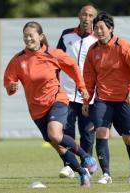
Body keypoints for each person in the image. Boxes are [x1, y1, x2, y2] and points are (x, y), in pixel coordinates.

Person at [3, 21, 97, 188]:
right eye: (25, 36)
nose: (28, 38)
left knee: (55, 134)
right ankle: (82, 172)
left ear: (40, 36)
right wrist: (11, 86)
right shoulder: (18, 60)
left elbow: (73, 67)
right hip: (36, 109)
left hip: (56, 100)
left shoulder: (53, 54)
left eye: (31, 35)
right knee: (59, 147)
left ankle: (87, 157)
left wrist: (82, 87)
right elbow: (9, 81)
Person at [83, 12, 130, 184]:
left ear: (111, 29)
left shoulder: (123, 46)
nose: (99, 31)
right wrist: (87, 100)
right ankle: (106, 174)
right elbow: (88, 77)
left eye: (102, 28)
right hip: (103, 99)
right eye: (96, 28)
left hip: (125, 99)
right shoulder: (93, 51)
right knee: (101, 133)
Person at [56, 4, 97, 178]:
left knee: (87, 132)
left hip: (90, 95)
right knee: (66, 131)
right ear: (79, 16)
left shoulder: (97, 38)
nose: (87, 18)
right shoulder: (67, 35)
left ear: (94, 18)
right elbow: (55, 60)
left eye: (90, 16)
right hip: (67, 92)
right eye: (84, 14)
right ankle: (69, 165)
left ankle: (86, 166)